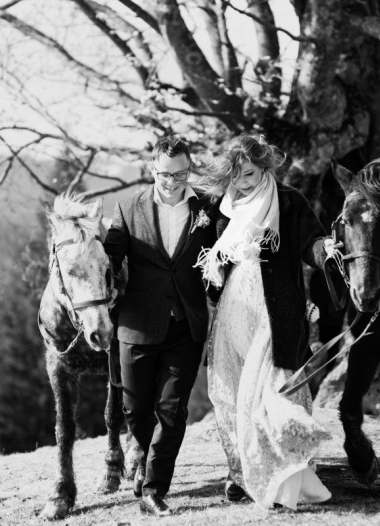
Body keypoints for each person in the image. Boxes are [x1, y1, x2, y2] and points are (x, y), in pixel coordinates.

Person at [197, 132, 333, 510]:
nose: (242, 182)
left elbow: (311, 243)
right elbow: (207, 250)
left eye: (250, 174)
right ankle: (240, 472)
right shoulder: (220, 206)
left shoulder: (288, 201)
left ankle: (288, 473)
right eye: (235, 175)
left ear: (265, 168)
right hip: (233, 309)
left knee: (275, 388)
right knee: (230, 392)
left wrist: (326, 250)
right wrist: (212, 272)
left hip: (277, 310)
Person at [104, 135, 218, 517]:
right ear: (153, 169)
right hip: (136, 325)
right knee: (135, 410)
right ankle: (145, 458)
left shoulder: (207, 208)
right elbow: (109, 259)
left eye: (180, 174)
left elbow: (225, 251)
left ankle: (153, 489)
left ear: (189, 170)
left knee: (171, 411)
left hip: (186, 324)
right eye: (165, 174)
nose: (172, 182)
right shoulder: (127, 208)